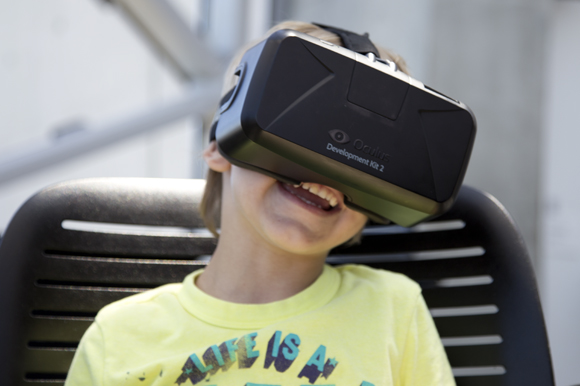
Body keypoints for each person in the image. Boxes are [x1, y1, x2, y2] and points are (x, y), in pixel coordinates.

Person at [65, 21, 455, 386]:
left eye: (365, 159)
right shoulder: (118, 337)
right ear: (220, 145)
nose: (329, 173)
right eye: (303, 134)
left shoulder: (393, 308)